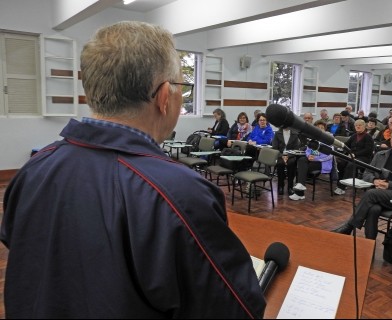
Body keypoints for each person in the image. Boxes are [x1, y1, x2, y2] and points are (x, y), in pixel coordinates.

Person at [0, 21, 266, 319]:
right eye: (182, 88)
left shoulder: (33, 170)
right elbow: (236, 307)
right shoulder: (180, 194)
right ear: (164, 97)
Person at [332, 127, 392, 239]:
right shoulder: (380, 155)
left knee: (371, 193)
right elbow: (367, 173)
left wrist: (390, 185)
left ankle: (349, 226)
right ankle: (370, 242)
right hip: (379, 195)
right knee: (373, 209)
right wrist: (374, 180)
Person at [290, 120, 335, 201]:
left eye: (322, 128)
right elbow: (307, 150)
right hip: (312, 160)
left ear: (325, 129)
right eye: (318, 128)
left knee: (302, 167)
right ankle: (300, 187)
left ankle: (300, 193)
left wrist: (316, 158)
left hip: (322, 163)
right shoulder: (313, 139)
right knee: (302, 160)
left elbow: (330, 156)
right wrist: (308, 156)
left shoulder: (329, 139)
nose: (320, 129)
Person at [334, 119, 375, 195]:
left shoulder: (368, 137)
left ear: (364, 126)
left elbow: (368, 150)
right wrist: (343, 149)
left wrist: (355, 154)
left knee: (351, 165)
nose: (358, 127)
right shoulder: (353, 136)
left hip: (364, 158)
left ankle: (342, 187)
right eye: (356, 125)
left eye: (360, 125)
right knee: (340, 163)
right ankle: (340, 183)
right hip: (352, 156)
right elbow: (346, 145)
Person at [272, 127, 301, 195]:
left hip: (291, 155)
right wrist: (282, 155)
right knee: (280, 164)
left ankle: (290, 187)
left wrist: (288, 156)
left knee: (291, 163)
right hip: (280, 155)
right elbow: (275, 147)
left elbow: (296, 148)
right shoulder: (277, 133)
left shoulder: (295, 134)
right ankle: (280, 186)